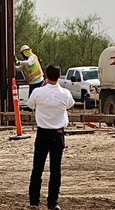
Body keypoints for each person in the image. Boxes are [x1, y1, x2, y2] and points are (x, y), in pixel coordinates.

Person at [28, 64, 75, 210]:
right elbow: (70, 105)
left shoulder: (38, 92)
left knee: (37, 168)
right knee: (55, 170)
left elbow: (30, 105)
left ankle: (34, 202)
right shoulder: (65, 93)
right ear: (59, 76)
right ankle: (53, 202)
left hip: (42, 133)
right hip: (58, 133)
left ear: (46, 76)